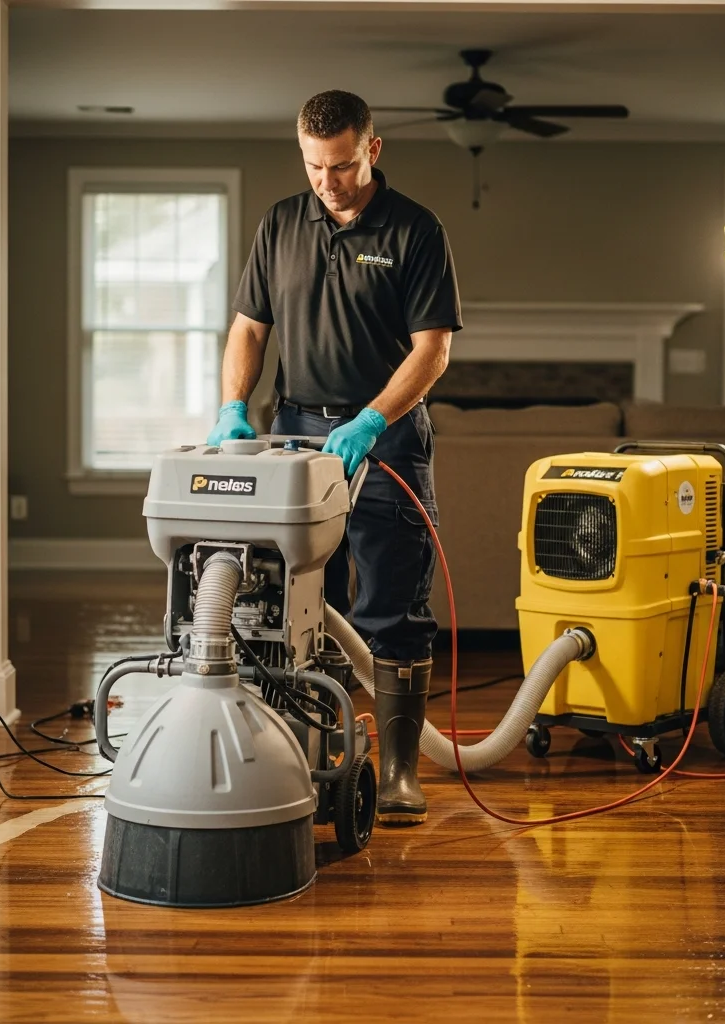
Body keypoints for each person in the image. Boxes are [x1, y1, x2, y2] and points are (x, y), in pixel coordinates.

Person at [207, 90, 461, 826]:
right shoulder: (281, 223)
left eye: (342, 165)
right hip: (292, 437)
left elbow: (433, 350)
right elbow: (249, 329)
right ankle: (309, 757)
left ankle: (403, 774)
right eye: (314, 165)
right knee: (299, 605)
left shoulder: (416, 230)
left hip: (383, 439)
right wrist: (234, 407)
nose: (328, 180)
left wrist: (371, 420)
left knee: (393, 607)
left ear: (372, 151)